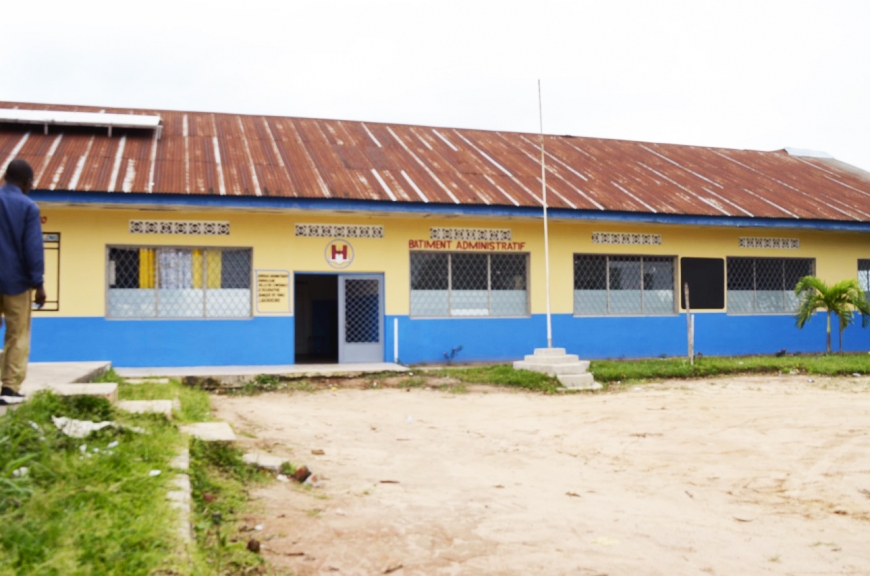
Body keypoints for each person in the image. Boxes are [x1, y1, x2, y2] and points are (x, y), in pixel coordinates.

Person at [0, 159, 46, 405]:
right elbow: (33, 248)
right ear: (27, 182)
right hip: (15, 283)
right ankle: (9, 388)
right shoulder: (28, 207)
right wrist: (38, 283)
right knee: (17, 334)